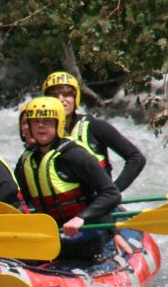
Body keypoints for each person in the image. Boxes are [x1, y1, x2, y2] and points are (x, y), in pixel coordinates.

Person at [14, 97, 121, 262]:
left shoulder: (75, 155)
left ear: (59, 123)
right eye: (36, 122)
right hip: (51, 238)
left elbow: (111, 193)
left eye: (47, 121)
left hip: (87, 235)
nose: (41, 126)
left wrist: (81, 218)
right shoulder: (26, 161)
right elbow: (20, 201)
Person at [42, 71, 146, 193]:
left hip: (99, 206)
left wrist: (113, 191)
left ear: (76, 98)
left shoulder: (95, 126)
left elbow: (136, 158)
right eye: (54, 96)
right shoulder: (41, 134)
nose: (61, 100)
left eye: (66, 95)